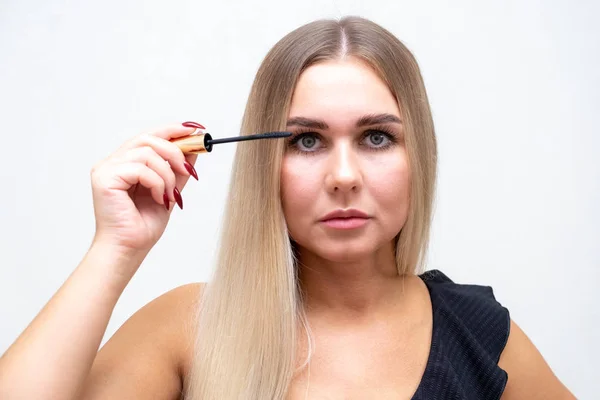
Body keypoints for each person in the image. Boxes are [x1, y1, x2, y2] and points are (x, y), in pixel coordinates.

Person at [0, 16, 575, 400]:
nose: (344, 177)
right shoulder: (189, 328)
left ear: (417, 155)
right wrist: (113, 249)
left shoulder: (478, 333)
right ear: (263, 167)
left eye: (376, 137)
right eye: (306, 141)